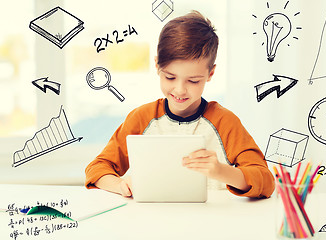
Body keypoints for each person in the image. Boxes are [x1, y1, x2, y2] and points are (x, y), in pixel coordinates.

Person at [85, 11, 275, 198]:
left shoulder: (225, 122)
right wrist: (120, 185)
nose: (180, 90)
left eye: (193, 81)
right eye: (170, 77)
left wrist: (222, 172)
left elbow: (266, 181)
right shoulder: (141, 118)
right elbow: (97, 169)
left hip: (213, 222)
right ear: (157, 66)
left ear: (210, 74)